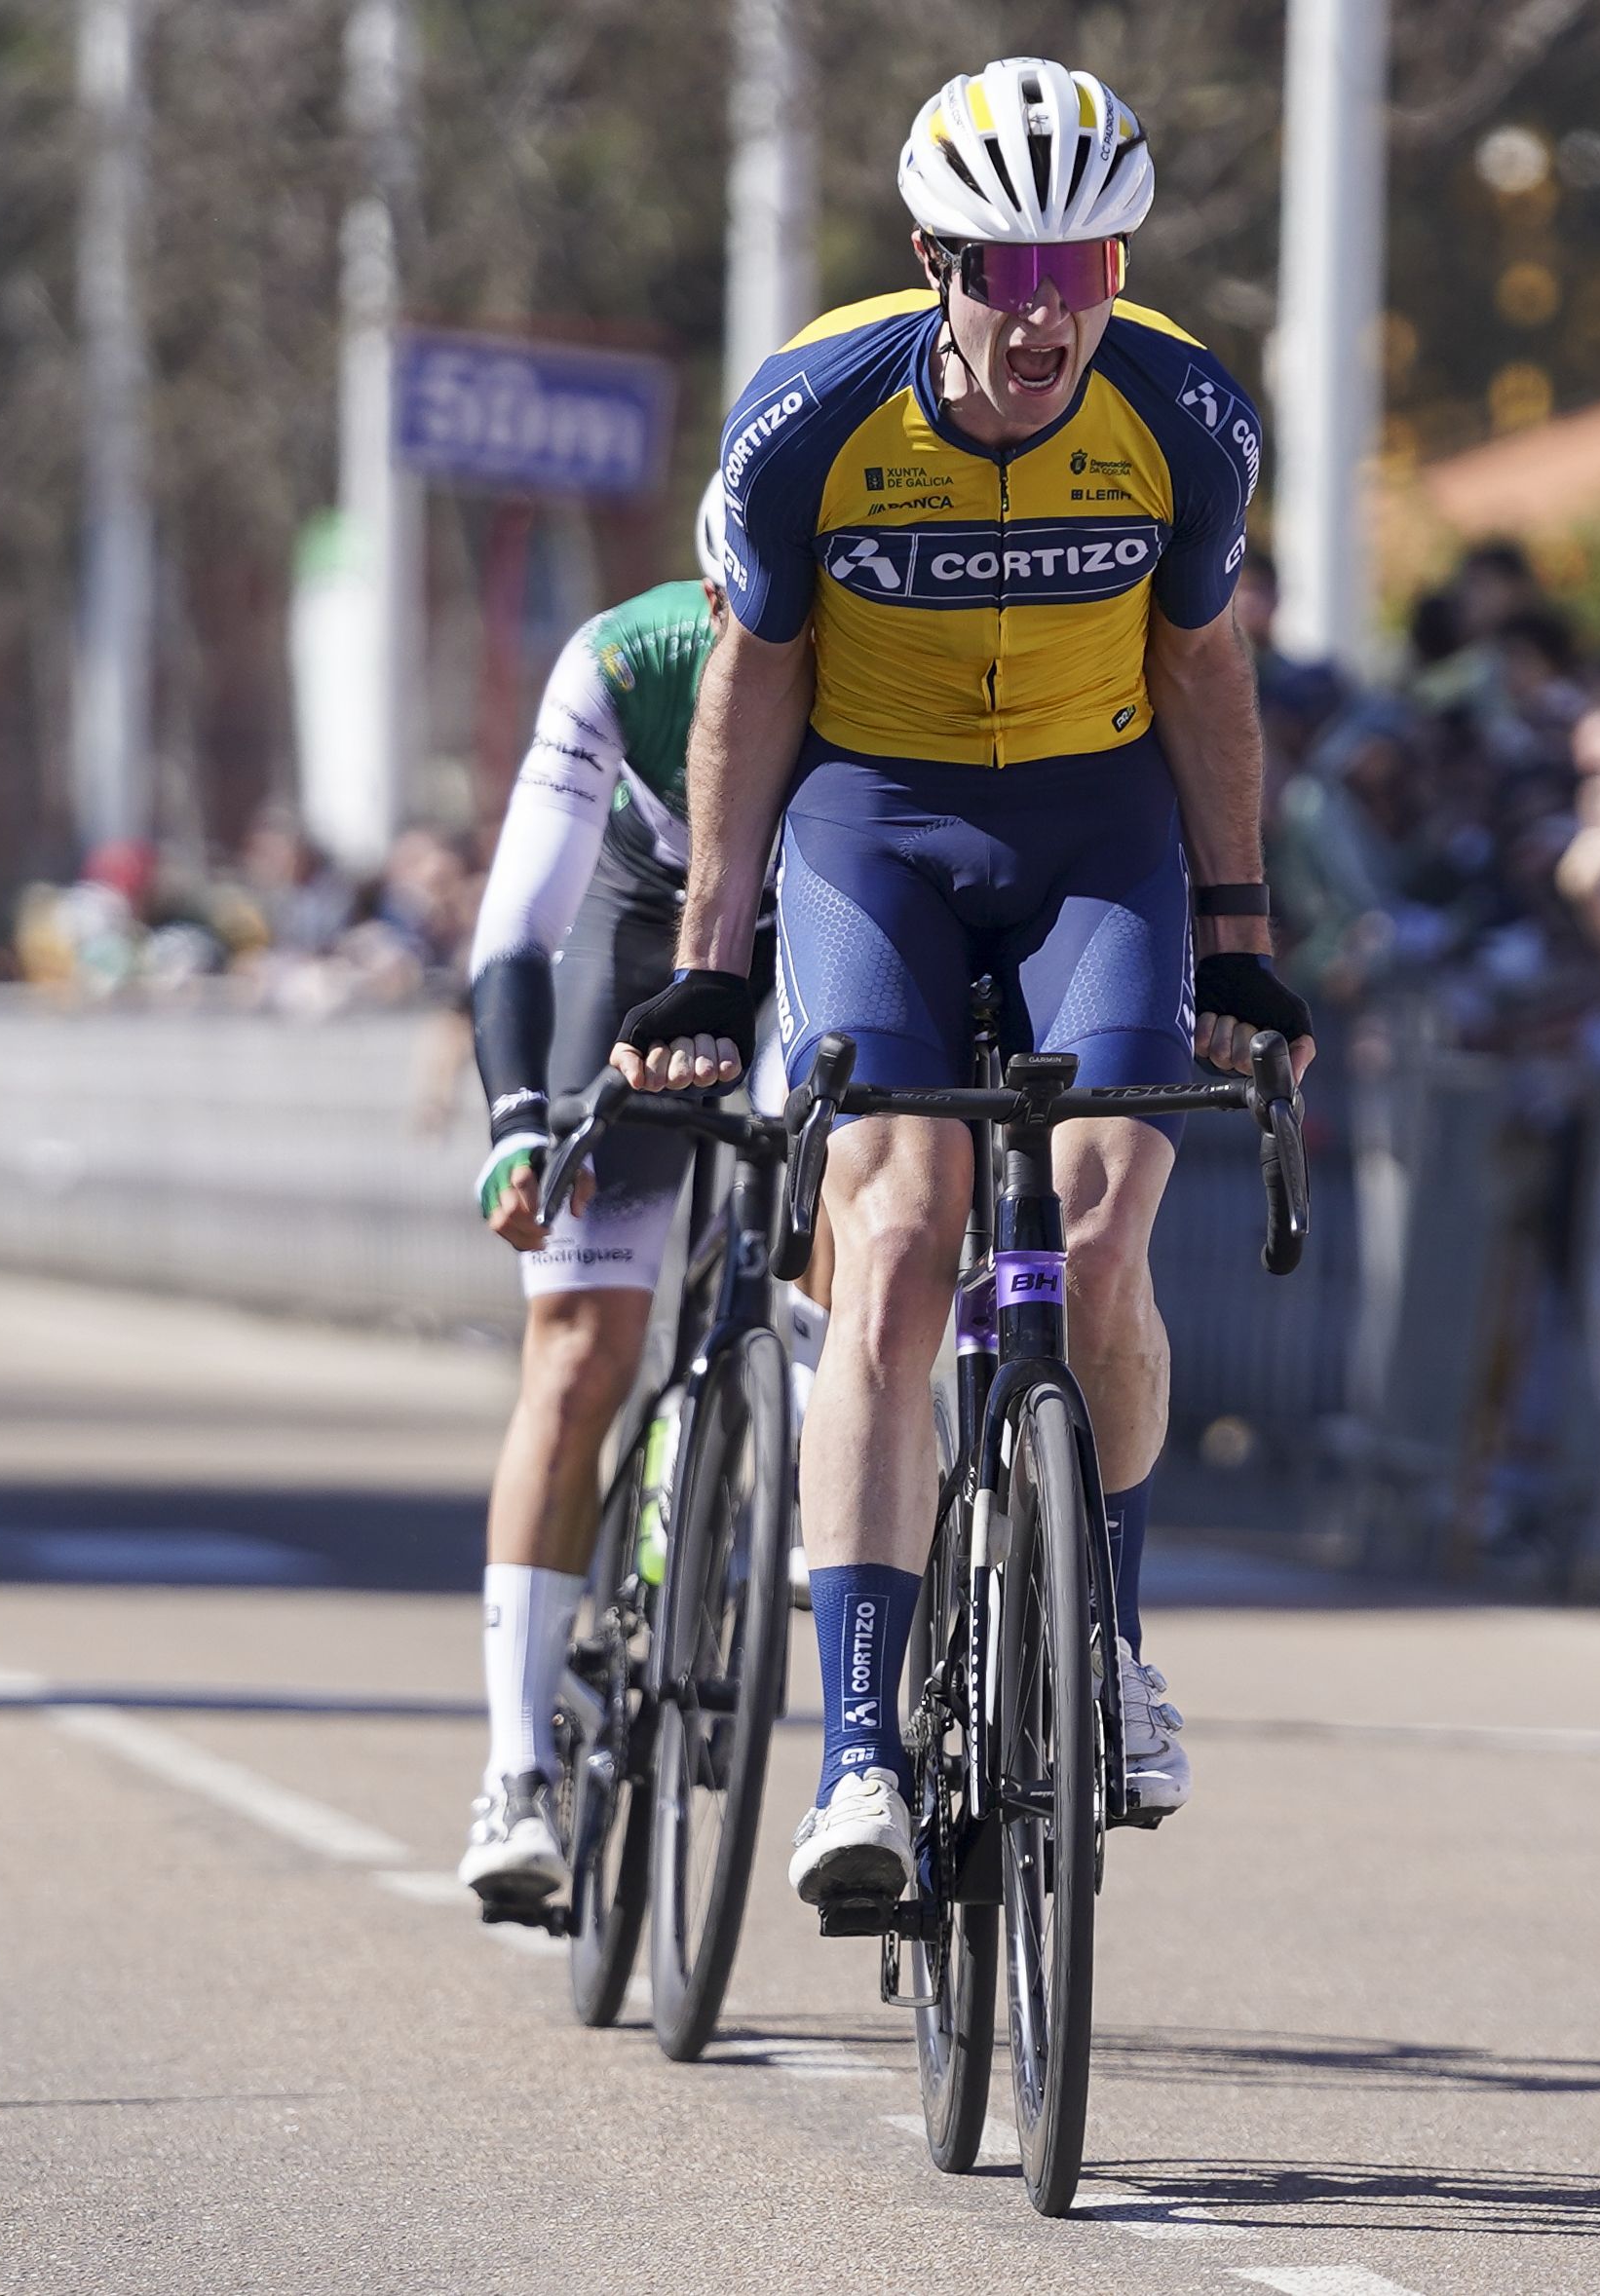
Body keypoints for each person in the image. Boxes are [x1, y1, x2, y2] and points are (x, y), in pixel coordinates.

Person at [616, 56, 1313, 1909]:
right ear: (936, 261)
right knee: (902, 1231)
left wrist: (1241, 932)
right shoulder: (811, 416)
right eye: (1009, 275)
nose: (1046, 317)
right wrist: (708, 953)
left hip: (1096, 837)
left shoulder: (1181, 410)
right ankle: (853, 1755)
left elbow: (1205, 681)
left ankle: (1116, 1652)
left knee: (1099, 1229)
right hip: (874, 825)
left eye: (1084, 271)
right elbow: (750, 694)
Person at [449, 546, 740, 1909]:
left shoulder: (877, 644)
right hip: (633, 935)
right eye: (738, 613)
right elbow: (512, 933)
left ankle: (780, 1450)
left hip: (807, 938)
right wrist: (518, 1117)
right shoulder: (627, 660)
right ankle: (515, 1771)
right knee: (576, 1356)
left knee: (859, 1213)